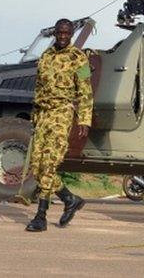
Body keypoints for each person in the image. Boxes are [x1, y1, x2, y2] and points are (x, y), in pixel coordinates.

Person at [25, 18, 93, 232]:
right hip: (44, 113)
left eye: (66, 33)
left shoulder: (79, 58)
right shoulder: (46, 56)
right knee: (36, 167)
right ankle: (70, 199)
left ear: (71, 33)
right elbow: (38, 87)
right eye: (60, 32)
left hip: (62, 113)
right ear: (55, 33)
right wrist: (34, 116)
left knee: (50, 164)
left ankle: (41, 216)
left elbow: (86, 90)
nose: (63, 36)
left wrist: (84, 119)